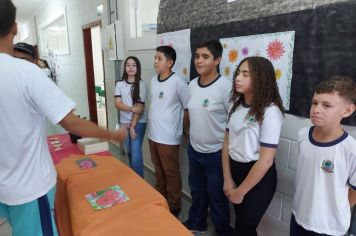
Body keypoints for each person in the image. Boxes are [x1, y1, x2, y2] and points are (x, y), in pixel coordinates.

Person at [0, 1, 127, 236]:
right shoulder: (26, 72)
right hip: (29, 187)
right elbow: (72, 123)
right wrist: (112, 134)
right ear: (15, 28)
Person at [222, 56, 285, 236]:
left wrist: (241, 191)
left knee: (244, 227)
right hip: (235, 170)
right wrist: (227, 178)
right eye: (238, 73)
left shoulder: (270, 111)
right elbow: (226, 142)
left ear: (260, 78)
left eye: (245, 74)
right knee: (241, 224)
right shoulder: (235, 105)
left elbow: (265, 161)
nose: (238, 78)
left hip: (258, 177)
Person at [291, 76, 356, 236]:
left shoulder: (350, 149)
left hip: (329, 228)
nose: (316, 109)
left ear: (347, 110)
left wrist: (332, 209)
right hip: (298, 217)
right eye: (314, 103)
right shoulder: (303, 134)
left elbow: (354, 192)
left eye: (327, 105)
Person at [184, 40, 233, 236]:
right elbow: (189, 110)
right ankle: (198, 222)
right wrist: (186, 130)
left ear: (217, 60)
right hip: (194, 149)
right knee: (197, 191)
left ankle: (222, 230)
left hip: (216, 154)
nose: (199, 61)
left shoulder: (225, 86)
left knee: (217, 196)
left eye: (205, 57)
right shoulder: (192, 84)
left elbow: (233, 122)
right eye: (197, 56)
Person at [148, 45, 189, 217]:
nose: (155, 61)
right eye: (155, 58)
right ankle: (161, 197)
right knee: (158, 169)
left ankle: (174, 204)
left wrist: (184, 129)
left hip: (169, 136)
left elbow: (188, 108)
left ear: (170, 62)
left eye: (159, 58)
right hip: (153, 134)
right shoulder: (153, 80)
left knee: (171, 172)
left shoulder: (178, 82)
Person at [115, 56, 147, 177]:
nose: (131, 67)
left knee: (135, 152)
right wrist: (131, 108)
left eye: (134, 65)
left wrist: (133, 125)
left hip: (138, 122)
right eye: (128, 65)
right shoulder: (119, 84)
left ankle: (139, 183)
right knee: (130, 152)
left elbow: (140, 108)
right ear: (125, 68)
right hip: (124, 122)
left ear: (138, 68)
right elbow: (117, 104)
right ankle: (134, 178)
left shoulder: (141, 84)